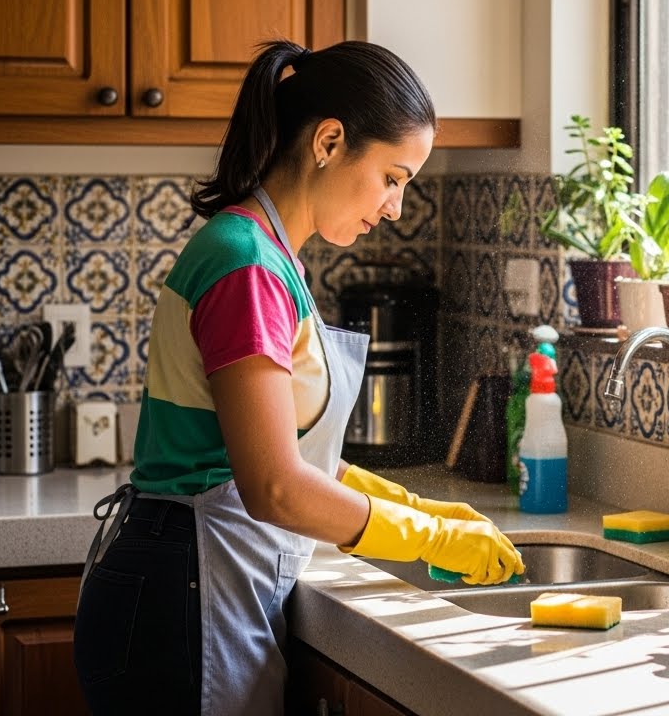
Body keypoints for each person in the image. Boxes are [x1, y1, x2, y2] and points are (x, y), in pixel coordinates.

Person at [72, 39, 524, 715]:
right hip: (185, 592)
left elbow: (293, 455)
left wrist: (417, 506)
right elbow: (275, 487)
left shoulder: (268, 255)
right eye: (393, 177)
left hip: (200, 577)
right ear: (330, 141)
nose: (397, 206)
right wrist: (426, 538)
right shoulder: (246, 266)